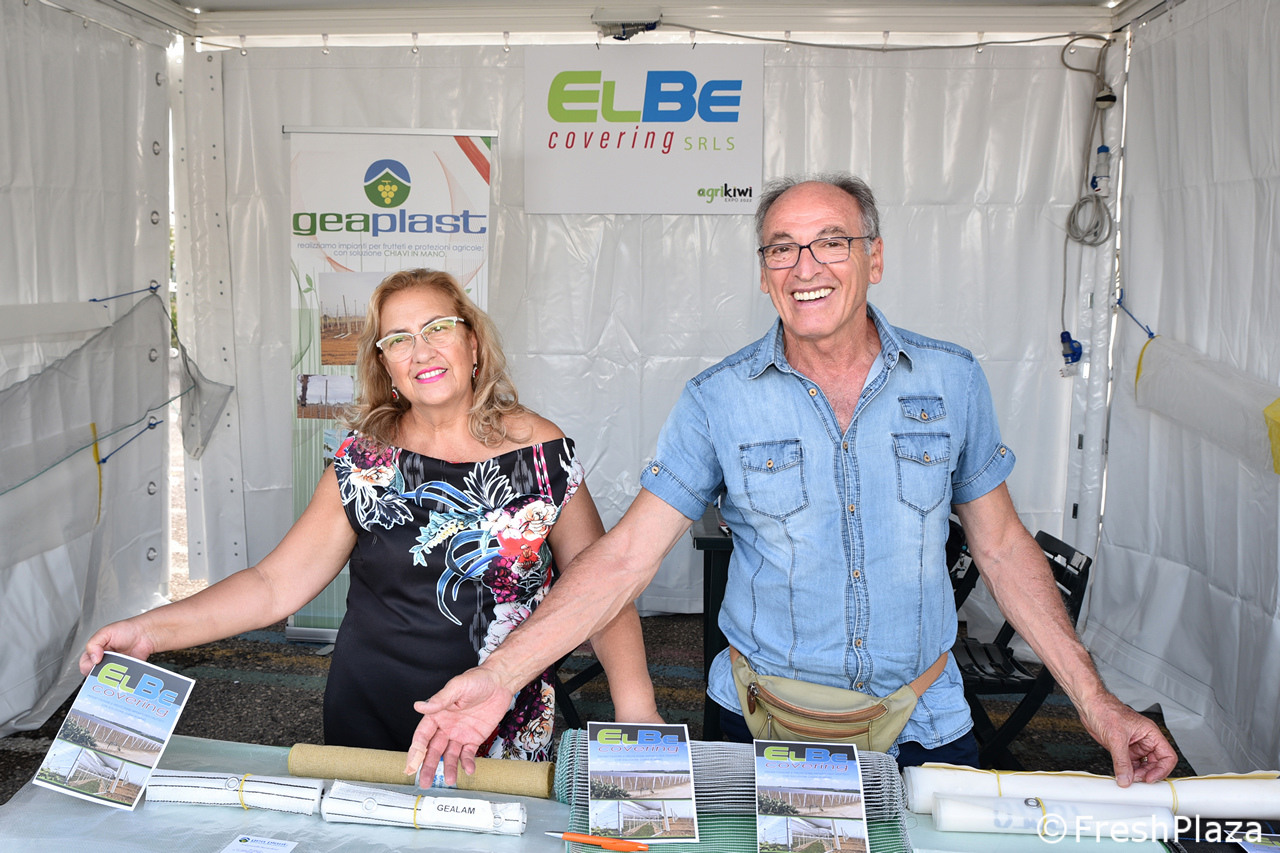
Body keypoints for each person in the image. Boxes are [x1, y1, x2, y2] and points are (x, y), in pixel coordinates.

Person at [405, 174, 1179, 787]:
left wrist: (1095, 701)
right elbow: (624, 557)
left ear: (875, 257)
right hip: (762, 722)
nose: (805, 267)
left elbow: (1003, 549)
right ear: (764, 272)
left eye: (831, 242)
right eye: (782, 249)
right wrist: (499, 677)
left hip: (924, 720)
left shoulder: (951, 379)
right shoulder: (718, 398)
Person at [81, 268, 660, 761]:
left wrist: (636, 708)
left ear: (473, 343)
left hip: (499, 717)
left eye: (438, 328)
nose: (422, 350)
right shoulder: (365, 459)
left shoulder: (540, 450)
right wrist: (149, 630)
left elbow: (602, 584)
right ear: (386, 365)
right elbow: (273, 585)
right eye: (399, 339)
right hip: (371, 712)